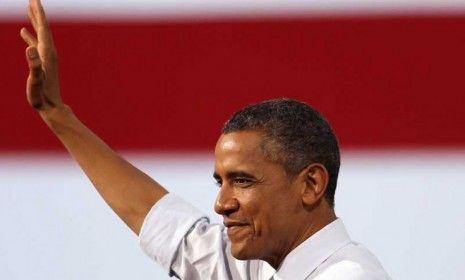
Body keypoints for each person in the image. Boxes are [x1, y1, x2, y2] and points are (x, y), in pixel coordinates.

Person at [20, 1, 391, 279]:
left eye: (242, 180)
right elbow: (169, 230)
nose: (221, 204)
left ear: (310, 184)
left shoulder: (347, 276)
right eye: (221, 181)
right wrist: (57, 114)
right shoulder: (267, 268)